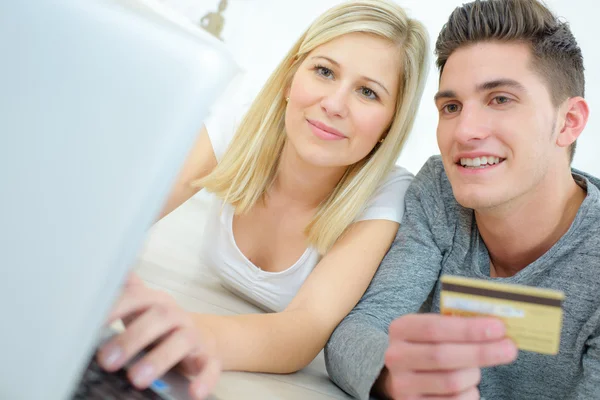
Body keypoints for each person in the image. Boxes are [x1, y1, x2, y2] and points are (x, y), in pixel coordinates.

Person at [97, 1, 430, 399]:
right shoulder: (238, 124)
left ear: (390, 124)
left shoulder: (388, 195)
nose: (334, 104)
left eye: (367, 92)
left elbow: (303, 331)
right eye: (324, 71)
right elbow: (118, 220)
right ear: (291, 78)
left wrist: (188, 331)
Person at [324, 0, 600, 399]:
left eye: (501, 99)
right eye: (451, 107)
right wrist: (395, 378)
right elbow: (358, 332)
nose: (465, 131)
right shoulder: (439, 189)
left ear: (568, 122)